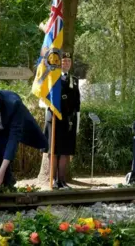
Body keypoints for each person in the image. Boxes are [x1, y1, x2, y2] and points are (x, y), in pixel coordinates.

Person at [42, 52, 80, 189]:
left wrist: (77, 122)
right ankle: (52, 180)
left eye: (68, 61)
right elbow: (44, 97)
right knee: (53, 151)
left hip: (68, 120)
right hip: (54, 118)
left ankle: (62, 180)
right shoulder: (52, 77)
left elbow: (77, 103)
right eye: (64, 61)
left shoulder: (74, 80)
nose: (66, 64)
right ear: (59, 63)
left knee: (65, 151)